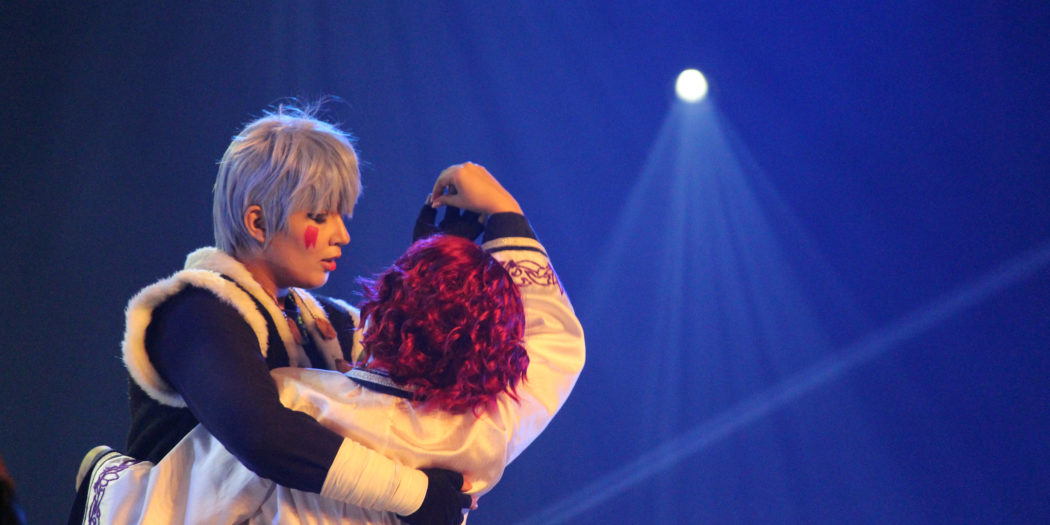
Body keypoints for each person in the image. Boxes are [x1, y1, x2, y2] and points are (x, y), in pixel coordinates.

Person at [77, 163, 585, 524]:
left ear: (382, 309)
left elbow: (197, 496)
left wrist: (109, 481)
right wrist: (504, 215)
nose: (342, 235)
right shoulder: (484, 433)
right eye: (321, 216)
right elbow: (556, 345)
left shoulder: (296, 398)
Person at [70, 104, 471, 525]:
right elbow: (262, 434)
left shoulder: (330, 324)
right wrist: (413, 494)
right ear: (258, 223)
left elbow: (411, 395)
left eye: (342, 215)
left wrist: (439, 261)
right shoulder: (195, 313)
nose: (342, 235)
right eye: (320, 216)